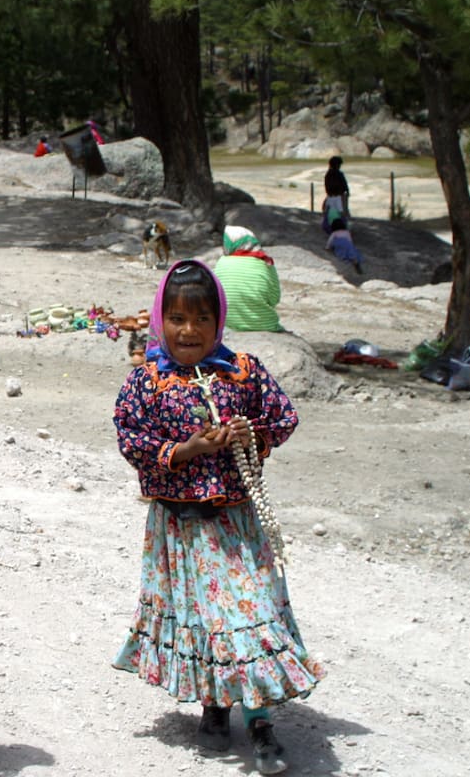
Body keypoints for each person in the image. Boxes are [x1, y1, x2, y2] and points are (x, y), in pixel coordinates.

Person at [112, 259, 324, 775]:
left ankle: (261, 721)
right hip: (180, 526)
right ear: (161, 319)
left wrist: (249, 434)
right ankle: (214, 706)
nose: (190, 331)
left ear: (219, 320)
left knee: (244, 615)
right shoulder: (146, 381)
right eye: (178, 318)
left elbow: (283, 417)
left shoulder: (242, 371)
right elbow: (131, 438)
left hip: (235, 524)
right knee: (206, 619)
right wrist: (184, 450)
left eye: (202, 319)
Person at [212, 225, 284, 332]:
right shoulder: (266, 263)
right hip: (264, 326)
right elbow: (275, 298)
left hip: (227, 325)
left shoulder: (222, 262)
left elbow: (215, 295)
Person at [323, 155, 350, 226]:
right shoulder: (339, 174)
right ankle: (343, 224)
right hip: (338, 196)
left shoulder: (328, 174)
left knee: (329, 211)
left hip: (330, 195)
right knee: (341, 212)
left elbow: (326, 185)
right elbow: (344, 184)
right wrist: (347, 192)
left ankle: (329, 224)